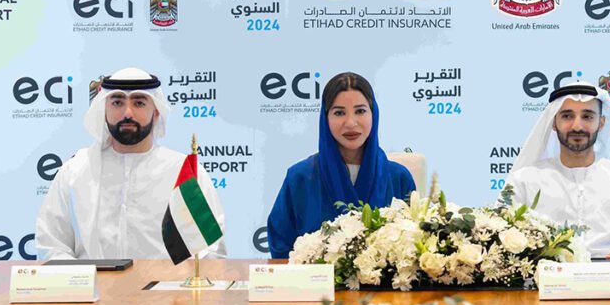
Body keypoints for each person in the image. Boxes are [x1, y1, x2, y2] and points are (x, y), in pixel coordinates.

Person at [35, 66, 226, 260]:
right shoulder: (75, 171)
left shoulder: (183, 171)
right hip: (91, 280)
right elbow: (51, 245)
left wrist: (170, 279)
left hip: (166, 280)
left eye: (139, 103)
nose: (127, 112)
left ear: (156, 112)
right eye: (117, 102)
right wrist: (85, 277)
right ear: (104, 110)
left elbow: (210, 250)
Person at [507, 82, 610, 259]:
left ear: (601, 123)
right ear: (553, 122)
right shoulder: (524, 180)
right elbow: (501, 237)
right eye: (567, 116)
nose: (577, 126)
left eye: (587, 116)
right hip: (548, 274)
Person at [266, 72, 415, 259]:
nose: (350, 123)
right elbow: (281, 247)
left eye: (360, 111)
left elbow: (413, 244)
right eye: (339, 113)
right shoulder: (299, 178)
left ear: (373, 114)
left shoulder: (399, 178)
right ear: (325, 118)